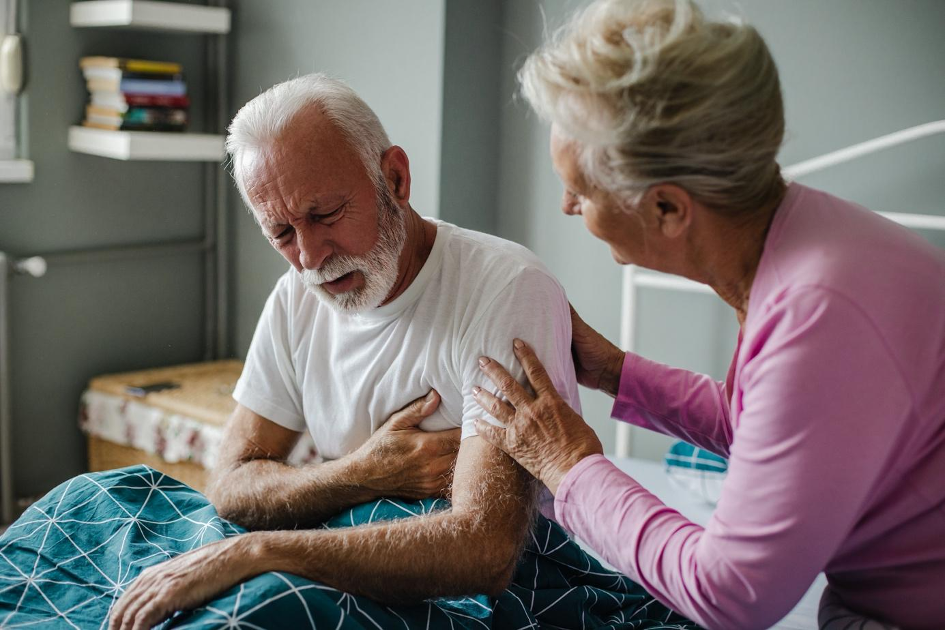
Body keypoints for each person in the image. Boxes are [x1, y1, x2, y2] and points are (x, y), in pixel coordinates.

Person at [469, 0, 945, 629]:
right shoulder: (808, 233)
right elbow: (769, 430)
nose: (564, 206)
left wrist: (571, 467)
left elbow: (731, 594)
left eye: (580, 191)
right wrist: (616, 371)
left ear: (667, 209)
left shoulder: (819, 317)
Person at [108, 74, 581, 629]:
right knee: (100, 501)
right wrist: (362, 473)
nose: (309, 257)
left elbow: (485, 548)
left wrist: (259, 551)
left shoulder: (502, 290)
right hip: (345, 542)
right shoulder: (297, 297)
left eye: (326, 216)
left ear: (396, 178)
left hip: (484, 591)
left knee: (251, 611)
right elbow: (232, 484)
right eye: (281, 233)